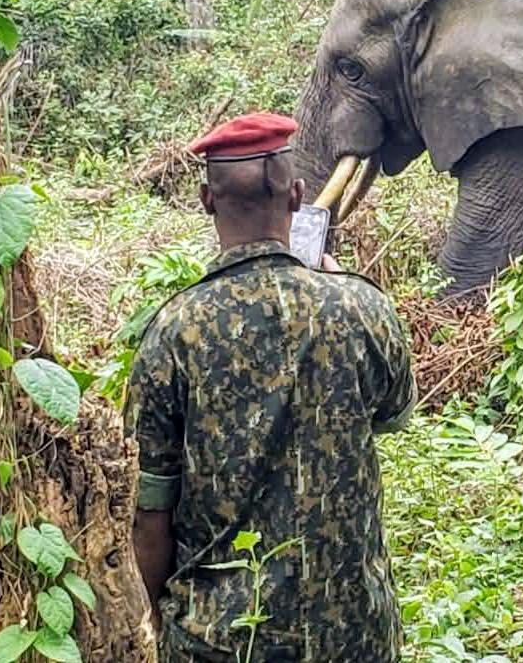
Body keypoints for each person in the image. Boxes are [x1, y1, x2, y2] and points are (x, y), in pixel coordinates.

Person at [126, 112, 416, 662]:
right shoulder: (362, 307)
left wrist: (163, 612)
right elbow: (393, 413)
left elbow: (151, 511)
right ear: (297, 195)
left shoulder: (172, 332)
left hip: (221, 639)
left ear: (207, 201)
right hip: (355, 634)